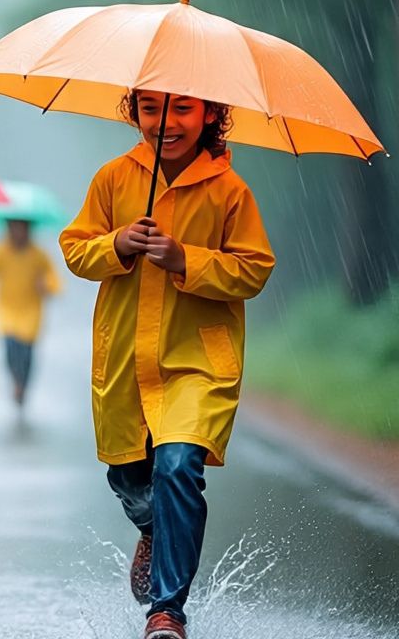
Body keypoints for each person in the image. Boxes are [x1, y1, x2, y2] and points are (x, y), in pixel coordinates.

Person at [59, 90, 275, 639]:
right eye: (152, 108)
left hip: (197, 361)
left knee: (178, 466)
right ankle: (153, 528)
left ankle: (167, 612)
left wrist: (186, 260)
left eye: (183, 108)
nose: (166, 122)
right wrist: (118, 244)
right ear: (134, 113)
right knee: (128, 476)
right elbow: (75, 249)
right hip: (126, 357)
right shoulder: (113, 178)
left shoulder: (230, 191)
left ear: (210, 114)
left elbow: (253, 270)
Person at [0, 218, 60, 408]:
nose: (18, 232)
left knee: (27, 355)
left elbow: (56, 284)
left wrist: (45, 286)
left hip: (31, 314)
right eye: (14, 227)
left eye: (22, 228)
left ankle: (23, 386)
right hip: (5, 312)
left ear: (29, 229)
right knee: (9, 349)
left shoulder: (39, 256)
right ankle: (16, 383)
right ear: (7, 228)